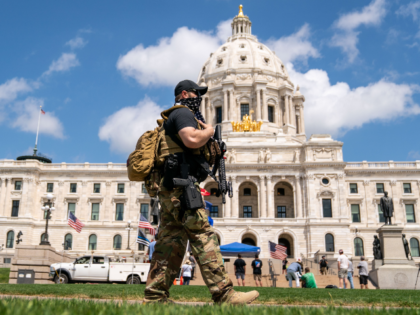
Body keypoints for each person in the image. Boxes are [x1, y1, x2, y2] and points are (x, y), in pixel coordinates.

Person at [144, 80, 259, 305]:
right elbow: (192, 139)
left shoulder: (172, 118)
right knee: (204, 237)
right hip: (182, 189)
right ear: (185, 94)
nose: (200, 98)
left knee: (170, 244)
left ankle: (155, 296)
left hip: (170, 190)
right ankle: (224, 294)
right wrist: (208, 130)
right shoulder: (183, 114)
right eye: (197, 93)